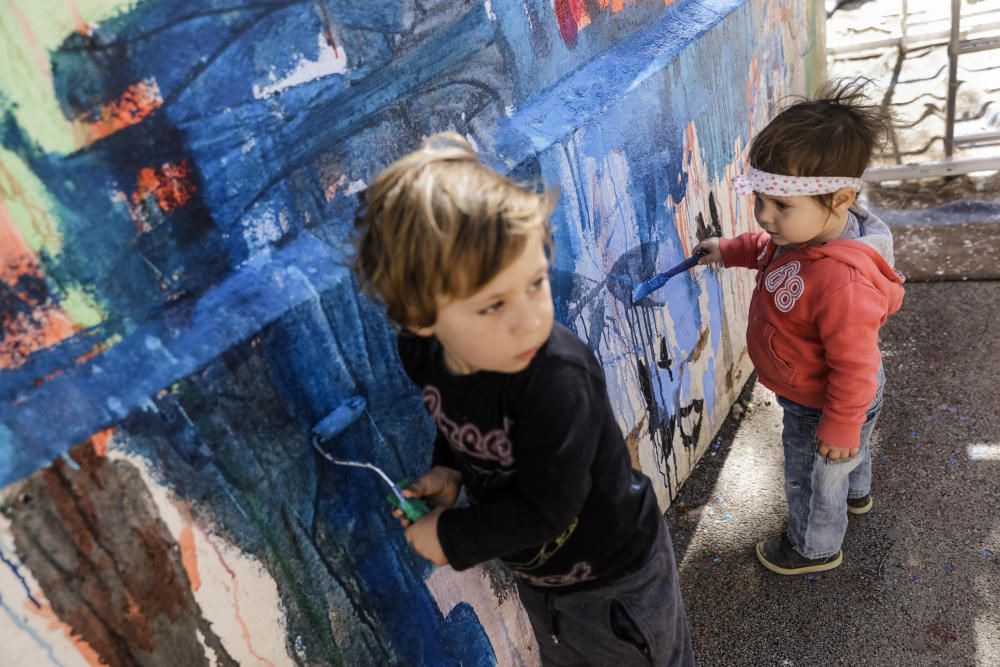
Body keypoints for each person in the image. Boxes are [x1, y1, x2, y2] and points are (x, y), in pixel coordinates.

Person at [354, 132, 694, 665]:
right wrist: (451, 472)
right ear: (422, 316)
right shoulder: (422, 352)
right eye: (492, 306)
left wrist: (450, 536)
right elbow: (457, 419)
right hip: (547, 582)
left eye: (535, 283)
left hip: (618, 581)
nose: (529, 319)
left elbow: (548, 509)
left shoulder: (556, 378)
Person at [694, 79, 905, 575]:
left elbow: (855, 366)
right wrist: (730, 250)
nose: (765, 216)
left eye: (780, 206)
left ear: (841, 197)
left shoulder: (840, 282)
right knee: (843, 458)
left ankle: (813, 547)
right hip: (832, 395)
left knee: (811, 475)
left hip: (826, 401)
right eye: (761, 200)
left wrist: (839, 424)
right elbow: (767, 248)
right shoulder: (804, 232)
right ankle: (855, 493)